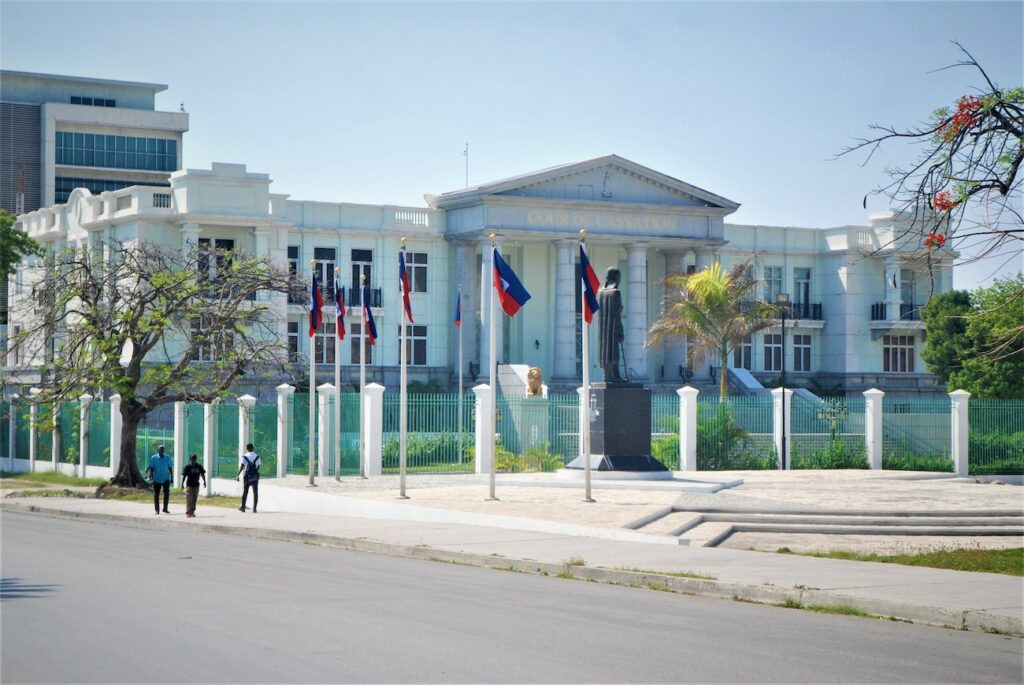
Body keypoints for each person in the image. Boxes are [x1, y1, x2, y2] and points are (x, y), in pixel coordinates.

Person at [598, 267, 625, 383]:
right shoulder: (616, 293)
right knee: (614, 351)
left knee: (605, 350)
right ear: (616, 278)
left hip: (603, 330)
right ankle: (613, 374)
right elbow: (617, 316)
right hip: (613, 328)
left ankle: (609, 374)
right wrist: (620, 331)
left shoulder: (600, 292)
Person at [145, 445, 173, 515]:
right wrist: (151, 478)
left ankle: (165, 508)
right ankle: (157, 510)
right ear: (158, 451)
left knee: (166, 494)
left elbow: (170, 468)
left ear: (164, 451)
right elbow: (151, 469)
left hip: (165, 478)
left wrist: (172, 477)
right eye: (160, 450)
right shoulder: (154, 458)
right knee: (156, 495)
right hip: (157, 479)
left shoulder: (168, 458)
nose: (161, 451)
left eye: (163, 450)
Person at [236, 443, 260, 513]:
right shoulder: (257, 457)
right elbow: (258, 467)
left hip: (247, 477)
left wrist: (238, 475)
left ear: (247, 449)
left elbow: (242, 466)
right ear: (253, 448)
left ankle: (243, 507)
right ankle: (254, 509)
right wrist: (254, 473)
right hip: (255, 476)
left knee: (245, 491)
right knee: (255, 492)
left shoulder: (245, 456)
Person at [181, 453, 207, 518]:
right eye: (192, 458)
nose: (193, 460)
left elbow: (202, 474)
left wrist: (204, 481)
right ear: (190, 459)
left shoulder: (199, 466)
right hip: (189, 485)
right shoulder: (187, 467)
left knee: (194, 500)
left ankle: (192, 512)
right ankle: (188, 512)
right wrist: (182, 484)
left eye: (194, 458)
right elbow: (184, 476)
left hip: (196, 485)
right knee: (189, 499)